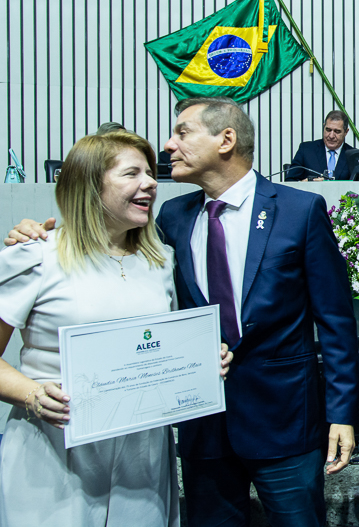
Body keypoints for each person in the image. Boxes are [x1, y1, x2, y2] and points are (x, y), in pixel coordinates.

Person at [8, 97, 359, 527]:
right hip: (200, 428)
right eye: (132, 172)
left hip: (284, 422)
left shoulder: (299, 210)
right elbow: (99, 245)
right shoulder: (170, 221)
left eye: (182, 132)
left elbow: (337, 321)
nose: (170, 145)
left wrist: (341, 415)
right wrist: (41, 233)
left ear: (225, 140)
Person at [0, 131, 230, 526]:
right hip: (57, 449)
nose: (151, 182)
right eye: (132, 173)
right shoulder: (37, 256)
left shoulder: (160, 260)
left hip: (142, 453)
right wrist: (33, 394)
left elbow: (163, 346)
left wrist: (202, 360)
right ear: (90, 185)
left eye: (150, 172)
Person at [286, 110, 355, 181]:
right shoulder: (306, 150)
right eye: (328, 130)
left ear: (346, 132)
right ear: (324, 127)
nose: (331, 136)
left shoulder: (354, 156)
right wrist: (304, 184)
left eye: (337, 131)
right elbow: (290, 181)